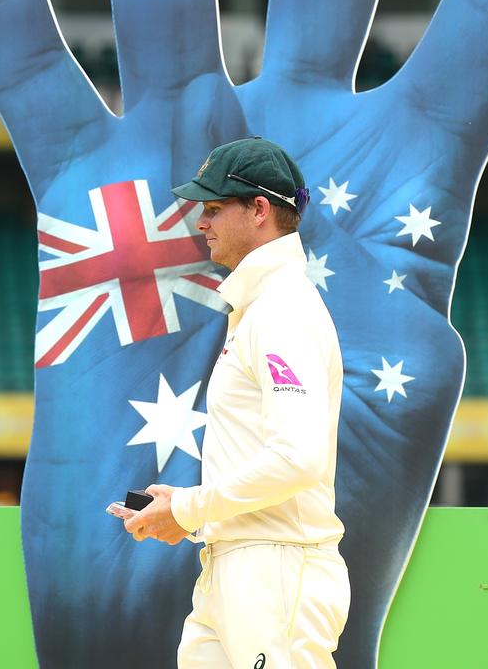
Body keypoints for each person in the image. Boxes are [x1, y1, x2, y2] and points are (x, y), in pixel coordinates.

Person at [123, 136, 350, 668]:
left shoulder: (281, 310)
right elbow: (266, 456)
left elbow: (297, 460)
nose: (201, 223)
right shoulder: (260, 307)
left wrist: (188, 507)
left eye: (214, 208)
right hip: (237, 565)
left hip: (275, 572)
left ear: (260, 211)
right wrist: (188, 511)